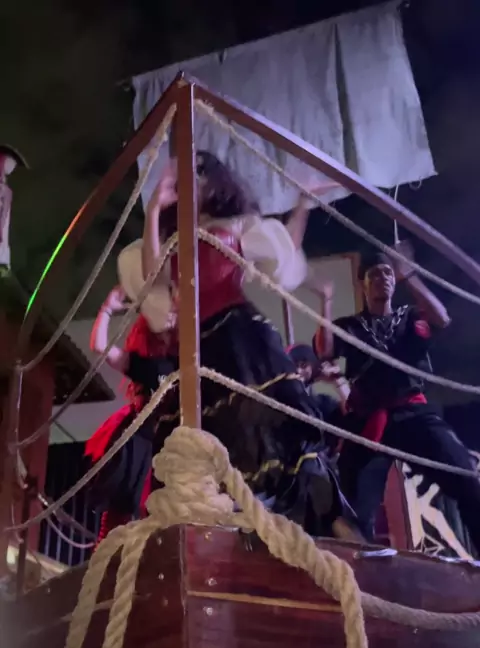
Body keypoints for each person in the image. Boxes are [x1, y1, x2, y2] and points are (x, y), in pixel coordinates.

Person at [115, 150, 360, 540]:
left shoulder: (237, 225)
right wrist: (153, 211)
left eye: (196, 173)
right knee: (212, 441)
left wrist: (303, 204)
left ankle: (328, 523)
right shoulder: (167, 239)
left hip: (242, 340)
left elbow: (284, 257)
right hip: (196, 351)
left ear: (213, 181)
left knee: (273, 429)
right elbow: (152, 277)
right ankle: (234, 538)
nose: (187, 181)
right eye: (180, 176)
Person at [312, 242, 480, 554]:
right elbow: (325, 351)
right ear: (363, 285)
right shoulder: (350, 326)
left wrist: (409, 274)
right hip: (370, 421)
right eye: (375, 274)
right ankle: (360, 571)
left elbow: (441, 319)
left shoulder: (411, 317)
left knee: (466, 477)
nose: (383, 278)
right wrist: (327, 302)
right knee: (353, 508)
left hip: (413, 414)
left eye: (388, 273)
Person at [85, 290, 175, 544]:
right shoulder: (152, 365)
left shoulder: (192, 359)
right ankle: (105, 564)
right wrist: (107, 309)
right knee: (118, 524)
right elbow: (100, 347)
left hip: (175, 448)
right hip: (142, 444)